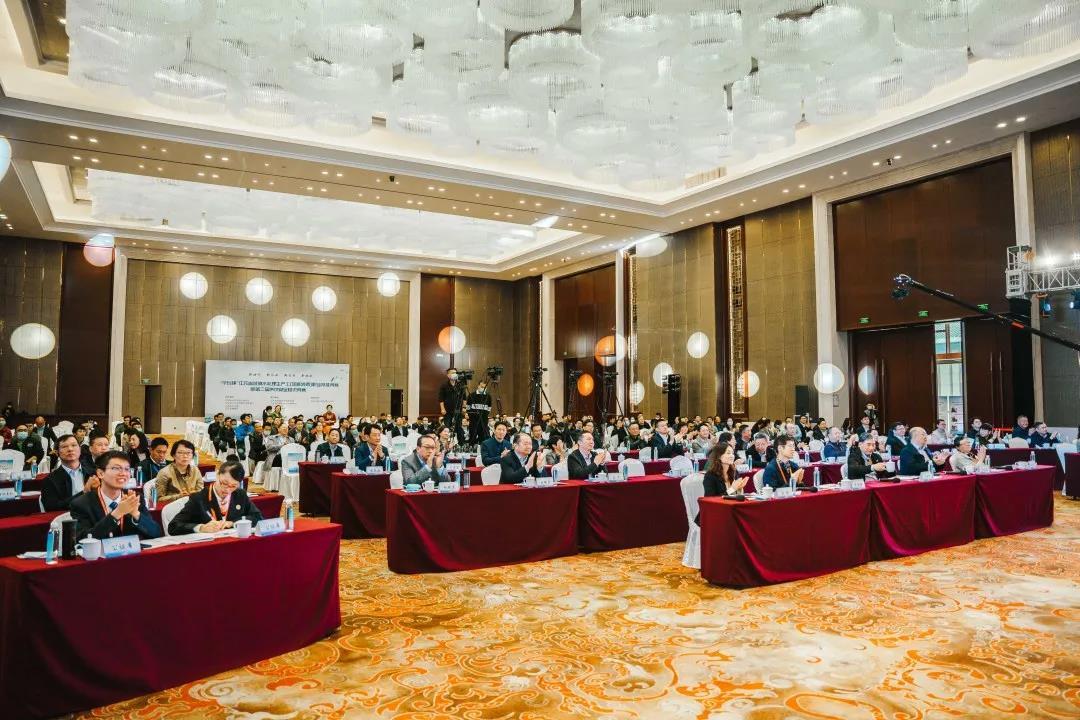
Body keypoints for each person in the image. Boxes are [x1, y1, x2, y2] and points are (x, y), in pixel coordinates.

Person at [70, 451, 162, 541]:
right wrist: (117, 513)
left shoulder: (134, 497)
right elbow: (83, 539)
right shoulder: (81, 504)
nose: (123, 473)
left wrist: (136, 514)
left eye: (127, 469)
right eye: (116, 468)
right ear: (100, 473)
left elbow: (156, 533)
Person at [168, 460, 263, 535]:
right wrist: (201, 528)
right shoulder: (198, 498)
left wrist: (232, 523)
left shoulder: (240, 494)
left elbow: (258, 517)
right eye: (224, 483)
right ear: (217, 475)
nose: (227, 489)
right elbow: (173, 526)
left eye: (233, 486)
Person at [41, 434, 100, 511]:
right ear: (57, 452)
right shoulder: (50, 480)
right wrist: (84, 493)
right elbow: (51, 508)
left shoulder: (94, 474)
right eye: (64, 447)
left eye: (74, 445)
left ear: (80, 449)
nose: (70, 449)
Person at [699, 444, 748, 519]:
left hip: (730, 509)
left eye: (732, 453)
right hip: (714, 514)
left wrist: (739, 488)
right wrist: (732, 489)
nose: (732, 456)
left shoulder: (734, 472)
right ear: (719, 456)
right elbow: (710, 501)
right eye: (728, 453)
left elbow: (736, 497)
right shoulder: (710, 476)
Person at [438, 368, 467, 443]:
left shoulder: (461, 385)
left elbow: (464, 398)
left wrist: (464, 408)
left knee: (459, 427)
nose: (455, 374)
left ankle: (461, 444)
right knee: (447, 427)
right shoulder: (444, 385)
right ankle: (446, 443)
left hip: (458, 410)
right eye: (453, 372)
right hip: (447, 410)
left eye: (455, 372)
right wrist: (442, 408)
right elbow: (441, 399)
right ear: (448, 375)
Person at [466, 379, 493, 445]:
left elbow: (489, 408)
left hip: (483, 421)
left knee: (483, 438)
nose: (483, 388)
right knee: (472, 437)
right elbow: (468, 408)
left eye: (484, 387)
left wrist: (484, 415)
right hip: (473, 421)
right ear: (478, 386)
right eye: (481, 387)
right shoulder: (471, 395)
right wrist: (470, 416)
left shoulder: (488, 396)